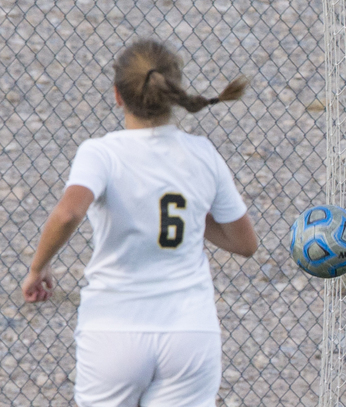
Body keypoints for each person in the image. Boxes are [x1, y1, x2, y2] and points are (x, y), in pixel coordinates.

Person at [21, 39, 258, 407]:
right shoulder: (202, 154)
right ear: (174, 93)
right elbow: (245, 243)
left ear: (117, 95)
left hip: (114, 330)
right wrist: (193, 214)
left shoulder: (101, 153)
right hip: (188, 332)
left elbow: (68, 212)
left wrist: (38, 268)